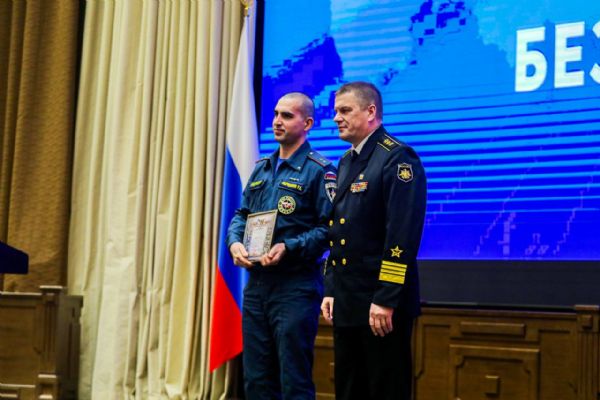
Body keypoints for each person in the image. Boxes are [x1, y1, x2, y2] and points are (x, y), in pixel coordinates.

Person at [227, 92, 337, 400]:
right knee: (256, 380)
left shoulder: (320, 170)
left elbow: (329, 229)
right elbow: (242, 214)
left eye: (287, 115)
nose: (277, 121)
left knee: (293, 380)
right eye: (276, 114)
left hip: (295, 286)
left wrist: (289, 247)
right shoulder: (262, 167)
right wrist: (234, 243)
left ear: (308, 123)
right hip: (257, 285)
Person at [321, 82, 427, 400]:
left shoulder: (397, 157)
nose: (336, 118)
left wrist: (386, 297)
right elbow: (339, 231)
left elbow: (402, 236)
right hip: (348, 299)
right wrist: (331, 288)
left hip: (379, 303)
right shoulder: (346, 161)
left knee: (385, 389)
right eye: (335, 111)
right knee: (348, 389)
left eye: (345, 110)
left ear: (370, 112)